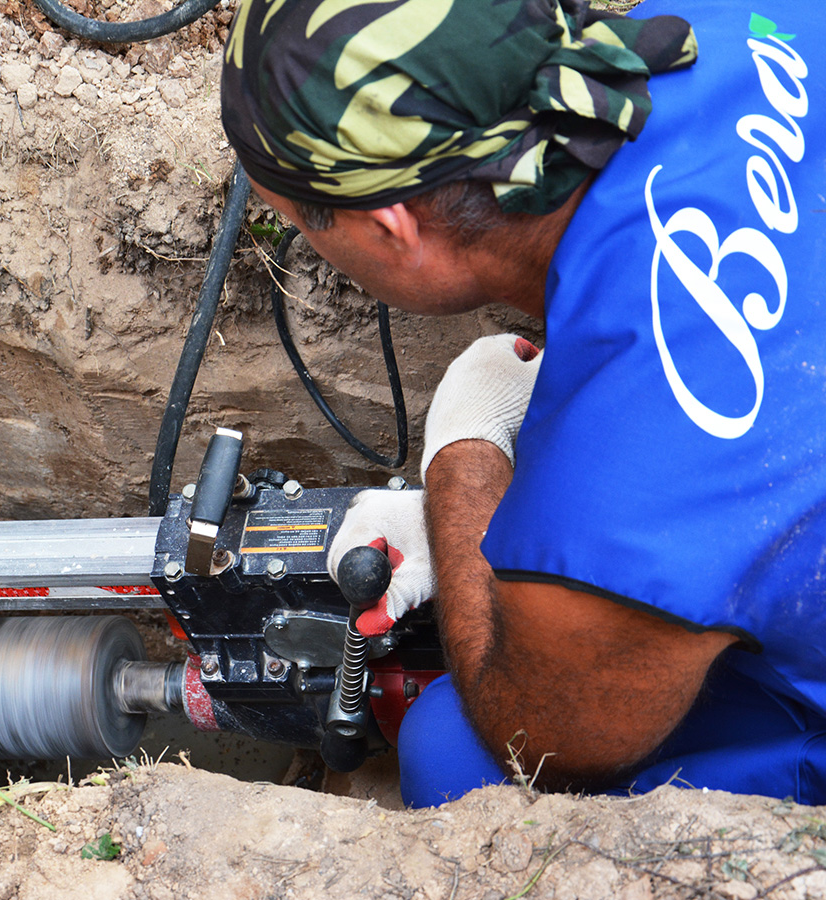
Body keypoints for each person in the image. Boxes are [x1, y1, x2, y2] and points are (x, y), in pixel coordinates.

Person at [220, 0, 826, 806]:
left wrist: (463, 462)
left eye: (292, 218)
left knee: (453, 756)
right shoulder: (728, 18)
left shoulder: (637, 486)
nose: (286, 229)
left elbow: (544, 739)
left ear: (392, 226)